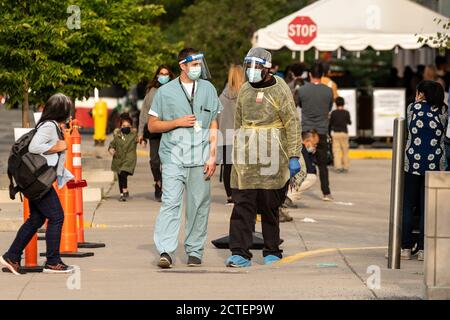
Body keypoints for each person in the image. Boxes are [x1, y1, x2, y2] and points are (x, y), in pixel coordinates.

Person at [226, 48, 302, 268]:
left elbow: (292, 123)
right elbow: (238, 122)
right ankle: (240, 251)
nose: (251, 71)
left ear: (267, 68)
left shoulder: (281, 89)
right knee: (242, 204)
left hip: (273, 155)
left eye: (256, 66)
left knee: (269, 205)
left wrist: (294, 154)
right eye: (248, 66)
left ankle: (272, 249)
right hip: (246, 157)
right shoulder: (245, 90)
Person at [148, 48, 222, 268]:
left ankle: (195, 250)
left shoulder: (209, 89)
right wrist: (175, 123)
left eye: (200, 64)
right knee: (171, 203)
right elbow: (152, 125)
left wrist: (213, 155)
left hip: (201, 158)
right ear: (182, 66)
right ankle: (165, 251)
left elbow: (213, 124)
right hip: (173, 157)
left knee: (199, 205)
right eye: (194, 64)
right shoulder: (165, 92)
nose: (198, 68)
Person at [1, 93, 75, 275]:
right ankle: (52, 261)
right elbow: (35, 147)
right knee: (57, 216)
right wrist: (57, 147)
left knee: (36, 219)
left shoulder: (53, 126)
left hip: (38, 182)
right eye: (68, 109)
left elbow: (52, 161)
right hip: (39, 184)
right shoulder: (49, 126)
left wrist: (66, 176)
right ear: (61, 110)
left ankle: (12, 256)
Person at [402, 80, 448, 262]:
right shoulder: (444, 111)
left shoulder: (412, 108)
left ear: (421, 93)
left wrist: (417, 100)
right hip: (435, 164)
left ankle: (405, 247)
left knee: (407, 205)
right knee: (426, 207)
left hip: (412, 163)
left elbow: (408, 129)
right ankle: (422, 249)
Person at [298, 62, 334, 201]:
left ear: (310, 74)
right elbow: (329, 107)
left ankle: (297, 190)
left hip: (306, 132)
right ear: (323, 75)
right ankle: (326, 192)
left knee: (303, 164)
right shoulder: (328, 91)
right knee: (323, 165)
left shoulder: (302, 90)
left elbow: (300, 105)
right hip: (322, 131)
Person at [138, 65, 175, 202]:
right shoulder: (151, 92)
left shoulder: (174, 90)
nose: (163, 76)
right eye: (161, 73)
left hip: (169, 130)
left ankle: (165, 186)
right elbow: (144, 113)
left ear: (170, 76)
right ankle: (157, 181)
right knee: (154, 161)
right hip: (154, 130)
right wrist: (141, 133)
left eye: (166, 74)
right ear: (157, 75)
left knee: (167, 162)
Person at [218, 64, 245, 205]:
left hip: (224, 135)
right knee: (241, 167)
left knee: (228, 166)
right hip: (240, 136)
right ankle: (239, 193)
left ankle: (229, 196)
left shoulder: (222, 95)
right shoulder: (244, 95)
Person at [108, 113, 138, 202]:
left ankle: (124, 190)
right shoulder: (117, 136)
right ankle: (122, 194)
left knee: (123, 172)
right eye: (123, 125)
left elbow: (139, 139)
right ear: (120, 126)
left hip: (129, 159)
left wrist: (143, 141)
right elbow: (112, 145)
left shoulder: (133, 135)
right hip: (118, 159)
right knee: (120, 175)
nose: (125, 127)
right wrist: (111, 149)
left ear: (131, 126)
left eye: (128, 126)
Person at [287, 130, 319, 201]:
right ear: (307, 141)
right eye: (313, 144)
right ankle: (288, 197)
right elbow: (310, 170)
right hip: (288, 177)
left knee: (297, 194)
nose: (314, 146)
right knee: (312, 177)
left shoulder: (299, 147)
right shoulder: (300, 148)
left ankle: (289, 196)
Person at [330, 97, 351, 173]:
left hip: (335, 134)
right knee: (345, 151)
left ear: (335, 104)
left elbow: (330, 123)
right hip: (344, 133)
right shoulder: (346, 112)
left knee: (336, 151)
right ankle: (346, 167)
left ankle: (338, 167)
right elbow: (349, 122)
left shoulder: (333, 113)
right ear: (343, 104)